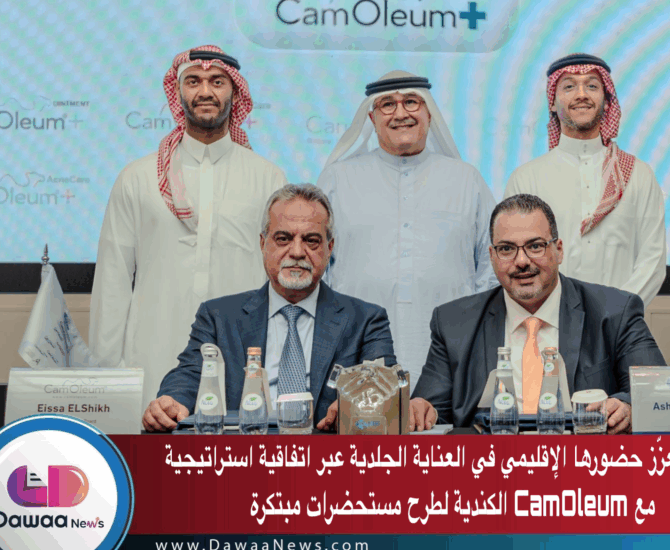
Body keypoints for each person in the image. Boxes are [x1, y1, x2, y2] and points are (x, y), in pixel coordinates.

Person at [90, 45, 287, 409]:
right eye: (193, 81)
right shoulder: (137, 178)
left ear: (236, 93)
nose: (205, 91)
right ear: (178, 92)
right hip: (154, 351)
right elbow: (113, 280)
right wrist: (108, 374)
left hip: (241, 352)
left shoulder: (268, 178)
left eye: (217, 82)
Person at [145, 184, 397, 433]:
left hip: (326, 452)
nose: (297, 252)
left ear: (329, 248)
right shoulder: (218, 317)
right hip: (246, 449)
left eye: (311, 241)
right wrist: (173, 401)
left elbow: (385, 388)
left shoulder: (366, 320)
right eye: (283, 239)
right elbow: (191, 373)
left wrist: (357, 405)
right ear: (263, 243)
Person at [409, 194, 667, 433]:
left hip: (581, 460)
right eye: (506, 249)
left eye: (535, 246)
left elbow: (656, 391)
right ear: (492, 256)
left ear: (559, 250)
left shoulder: (615, 312)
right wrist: (422, 410)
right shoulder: (454, 323)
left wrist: (626, 406)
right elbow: (430, 411)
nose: (522, 261)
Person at [317, 70, 497, 390]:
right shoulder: (337, 180)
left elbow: (492, 265)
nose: (401, 113)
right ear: (372, 118)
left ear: (429, 113)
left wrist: (472, 327)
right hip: (355, 350)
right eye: (387, 104)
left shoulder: (466, 179)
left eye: (412, 102)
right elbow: (318, 267)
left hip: (451, 353)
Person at [504, 53, 666, 309]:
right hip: (549, 322)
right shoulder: (526, 179)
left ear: (607, 100)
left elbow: (652, 260)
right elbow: (518, 261)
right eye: (569, 86)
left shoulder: (638, 174)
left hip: (620, 325)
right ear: (552, 103)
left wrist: (616, 315)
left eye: (592, 86)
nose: (581, 94)